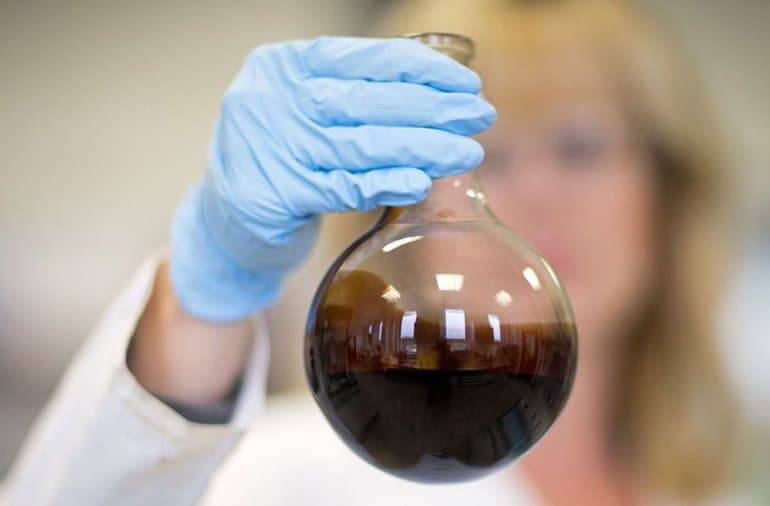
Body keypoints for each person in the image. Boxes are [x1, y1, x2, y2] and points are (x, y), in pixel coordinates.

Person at [0, 0, 743, 504]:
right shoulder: (289, 479)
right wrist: (204, 300)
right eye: (482, 153)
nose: (537, 193)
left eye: (579, 146)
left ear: (672, 194)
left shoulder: (718, 487)